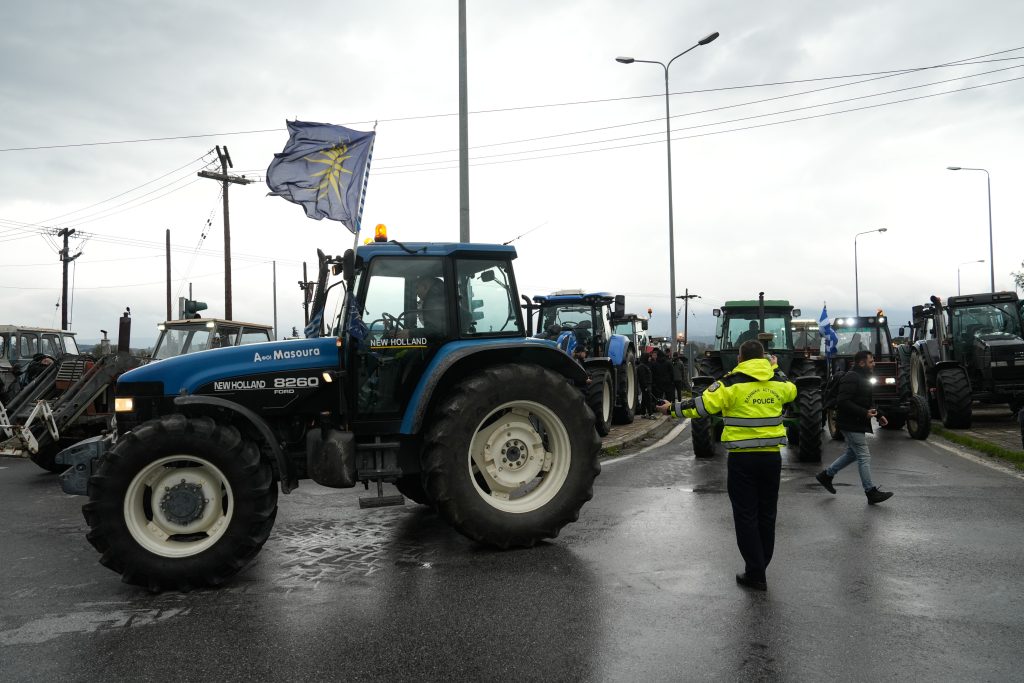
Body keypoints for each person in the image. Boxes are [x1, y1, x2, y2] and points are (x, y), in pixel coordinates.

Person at [657, 340, 797, 591]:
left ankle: (755, 572)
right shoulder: (778, 382)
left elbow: (700, 406)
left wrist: (672, 409)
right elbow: (792, 390)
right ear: (764, 358)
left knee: (746, 515)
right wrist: (776, 369)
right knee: (767, 514)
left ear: (740, 359)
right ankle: (761, 564)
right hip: (771, 459)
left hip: (743, 460)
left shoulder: (729, 384)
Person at [815, 350, 894, 504]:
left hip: (855, 422)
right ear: (861, 363)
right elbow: (843, 402)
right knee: (864, 456)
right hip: (850, 423)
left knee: (852, 454)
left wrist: (879, 415)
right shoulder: (851, 377)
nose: (874, 364)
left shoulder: (863, 377)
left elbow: (866, 401)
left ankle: (826, 476)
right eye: (871, 361)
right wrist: (864, 413)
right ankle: (870, 492)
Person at [637, 353, 655, 419]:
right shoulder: (642, 366)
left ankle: (643, 413)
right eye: (649, 357)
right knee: (648, 399)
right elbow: (642, 378)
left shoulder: (644, 365)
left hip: (647, 385)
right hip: (646, 385)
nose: (650, 358)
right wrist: (645, 387)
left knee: (644, 400)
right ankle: (650, 414)